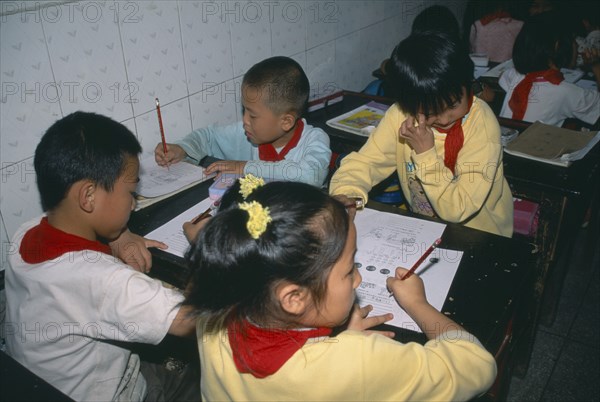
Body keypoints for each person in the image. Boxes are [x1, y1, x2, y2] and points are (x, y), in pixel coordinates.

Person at [183, 176, 497, 401]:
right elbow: (477, 366)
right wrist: (418, 304)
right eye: (349, 270)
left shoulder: (213, 311)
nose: (358, 279)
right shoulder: (357, 362)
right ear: (294, 298)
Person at [4, 112, 199, 401]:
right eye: (131, 192)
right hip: (111, 394)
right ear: (89, 197)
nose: (133, 205)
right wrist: (203, 252)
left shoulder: (25, 234)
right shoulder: (104, 281)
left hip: (39, 382)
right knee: (206, 368)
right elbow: (191, 321)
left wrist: (119, 235)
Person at [331, 32, 514, 238]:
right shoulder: (401, 115)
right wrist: (346, 193)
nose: (444, 120)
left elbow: (460, 207)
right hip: (427, 229)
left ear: (468, 83)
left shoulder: (481, 125)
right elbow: (368, 162)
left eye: (453, 105)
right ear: (408, 104)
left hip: (480, 234)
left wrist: (426, 154)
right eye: (431, 112)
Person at [154, 56, 331, 187]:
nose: (245, 120)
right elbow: (208, 137)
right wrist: (182, 148)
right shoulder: (246, 134)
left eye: (252, 115)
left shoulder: (315, 139)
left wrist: (244, 167)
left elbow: (310, 175)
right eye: (244, 109)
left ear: (286, 121)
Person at [498, 12, 600, 126]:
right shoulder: (567, 92)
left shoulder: (513, 75)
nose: (576, 44)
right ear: (558, 46)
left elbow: (502, 77)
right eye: (573, 39)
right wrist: (596, 67)